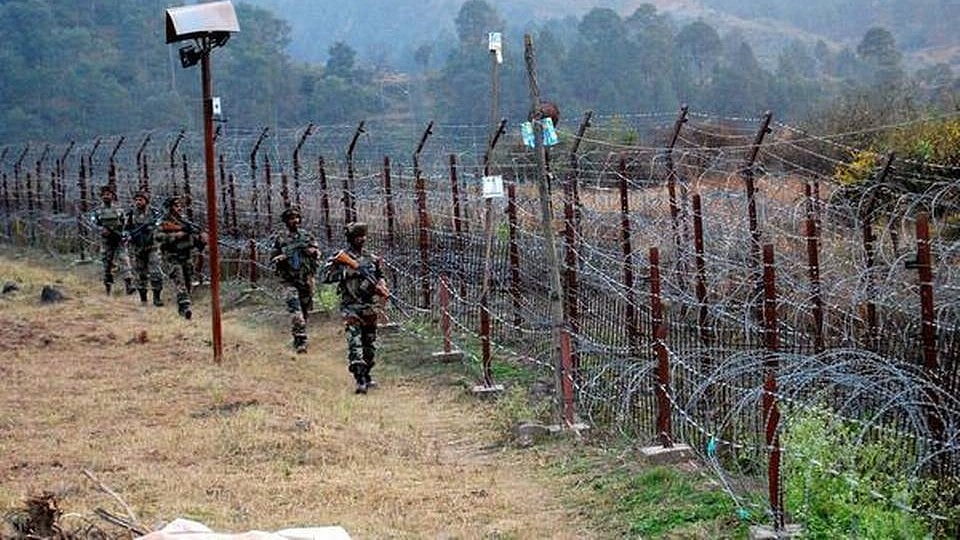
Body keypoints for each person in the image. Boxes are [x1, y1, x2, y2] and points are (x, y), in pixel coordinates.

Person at [321, 222, 389, 394]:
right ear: (351, 238)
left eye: (363, 236)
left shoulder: (371, 258)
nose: (362, 239)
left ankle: (367, 375)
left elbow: (380, 276)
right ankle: (360, 380)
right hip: (350, 306)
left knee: (369, 344)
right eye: (358, 236)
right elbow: (325, 276)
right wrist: (349, 272)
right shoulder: (341, 257)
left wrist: (381, 287)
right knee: (354, 342)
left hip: (369, 307)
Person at [269, 205, 321, 354]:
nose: (295, 221)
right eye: (292, 219)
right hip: (289, 281)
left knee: (304, 311)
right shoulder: (281, 239)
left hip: (305, 279)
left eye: (297, 218)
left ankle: (299, 337)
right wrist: (282, 258)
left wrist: (312, 252)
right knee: (296, 312)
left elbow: (317, 253)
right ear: (286, 221)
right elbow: (272, 259)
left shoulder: (307, 237)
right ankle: (301, 342)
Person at [155, 196, 206, 319]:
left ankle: (183, 307)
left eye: (180, 206)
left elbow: (194, 239)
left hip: (186, 256)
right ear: (170, 208)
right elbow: (158, 237)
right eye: (176, 206)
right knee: (180, 282)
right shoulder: (163, 222)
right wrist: (177, 236)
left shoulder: (186, 222)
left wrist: (201, 240)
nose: (179, 208)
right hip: (172, 257)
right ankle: (185, 308)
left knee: (188, 283)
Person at [124, 190, 164, 306]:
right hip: (138, 247)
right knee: (140, 273)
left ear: (146, 201)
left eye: (140, 200)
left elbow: (161, 226)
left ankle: (157, 298)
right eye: (136, 200)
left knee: (155, 272)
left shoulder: (154, 213)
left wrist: (152, 229)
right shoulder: (131, 214)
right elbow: (126, 229)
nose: (138, 202)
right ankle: (143, 299)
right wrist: (128, 236)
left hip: (152, 246)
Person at [93, 185, 134, 295]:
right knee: (107, 264)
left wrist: (124, 235)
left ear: (113, 196)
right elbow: (94, 225)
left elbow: (125, 225)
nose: (106, 196)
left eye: (108, 194)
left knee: (124, 260)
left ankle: (129, 285)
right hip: (106, 241)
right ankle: (108, 289)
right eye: (104, 195)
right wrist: (102, 230)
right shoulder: (97, 212)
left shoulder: (119, 211)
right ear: (101, 197)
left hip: (118, 239)